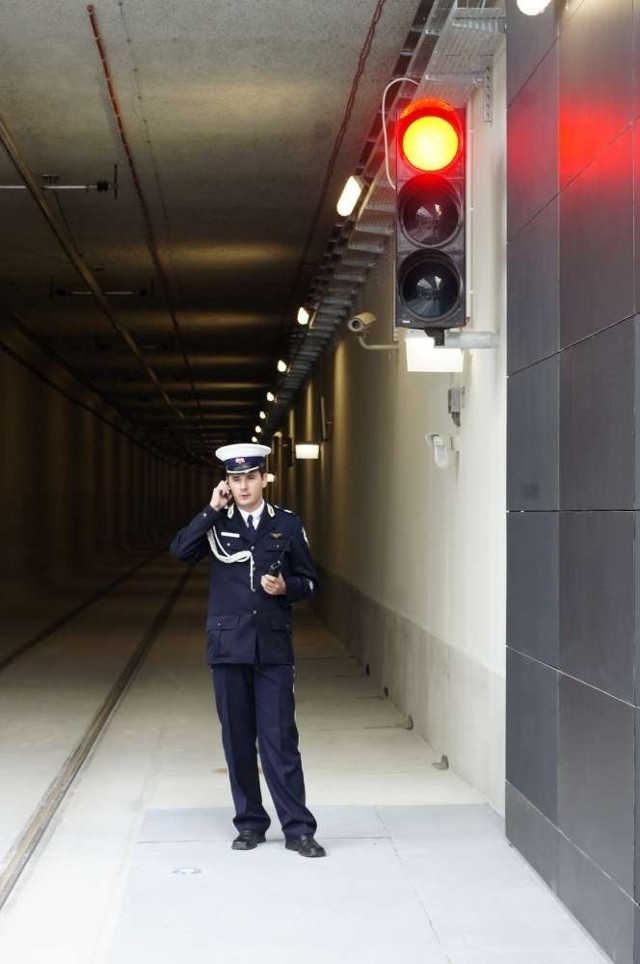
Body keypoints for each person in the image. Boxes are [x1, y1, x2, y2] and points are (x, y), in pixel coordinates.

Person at [170, 442, 326, 858]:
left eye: (249, 478)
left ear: (263, 479)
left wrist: (286, 588)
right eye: (235, 480)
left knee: (280, 740)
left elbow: (310, 582)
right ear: (228, 484)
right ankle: (251, 823)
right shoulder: (217, 525)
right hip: (227, 646)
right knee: (238, 740)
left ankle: (298, 829)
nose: (242, 486)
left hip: (273, 648)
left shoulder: (287, 525)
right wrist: (210, 509)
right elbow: (180, 550)